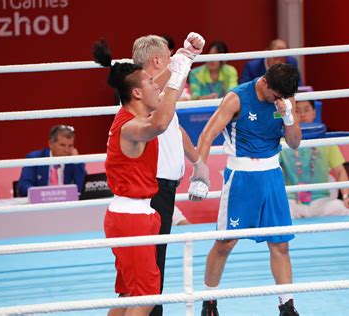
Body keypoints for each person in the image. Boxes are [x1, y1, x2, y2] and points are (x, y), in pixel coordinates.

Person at [93, 37, 194, 316]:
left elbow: (155, 95)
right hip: (131, 219)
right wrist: (179, 74)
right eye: (150, 83)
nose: (156, 86)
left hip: (133, 215)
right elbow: (160, 122)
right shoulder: (132, 126)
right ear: (137, 93)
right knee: (147, 294)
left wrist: (180, 62)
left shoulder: (130, 115)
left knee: (128, 293)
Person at [193, 63, 302, 316]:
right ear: (264, 82)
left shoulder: (285, 98)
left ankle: (287, 305)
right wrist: (200, 172)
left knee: (280, 244)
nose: (277, 101)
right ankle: (209, 302)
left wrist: (288, 117)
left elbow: (295, 142)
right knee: (225, 243)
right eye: (275, 96)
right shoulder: (237, 98)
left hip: (272, 177)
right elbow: (207, 135)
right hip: (241, 177)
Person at [132, 33, 209, 316]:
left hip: (162, 188)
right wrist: (183, 59)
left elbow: (174, 128)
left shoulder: (160, 94)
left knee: (154, 263)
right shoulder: (138, 91)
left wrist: (198, 162)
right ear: (157, 60)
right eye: (168, 55)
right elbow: (155, 88)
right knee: (148, 265)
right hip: (149, 189)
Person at [280, 100, 349, 218]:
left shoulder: (327, 142)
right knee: (280, 215)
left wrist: (347, 196)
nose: (302, 115)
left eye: (306, 110)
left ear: (314, 113)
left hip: (322, 202)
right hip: (292, 202)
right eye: (297, 111)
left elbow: (340, 172)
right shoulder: (282, 143)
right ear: (291, 113)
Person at [17, 125, 86, 197]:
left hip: (66, 205)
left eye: (70, 146)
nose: (67, 150)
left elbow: (83, 189)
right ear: (50, 144)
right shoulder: (35, 159)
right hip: (42, 204)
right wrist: (44, 194)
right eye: (62, 145)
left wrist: (77, 162)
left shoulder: (74, 161)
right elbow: (23, 187)